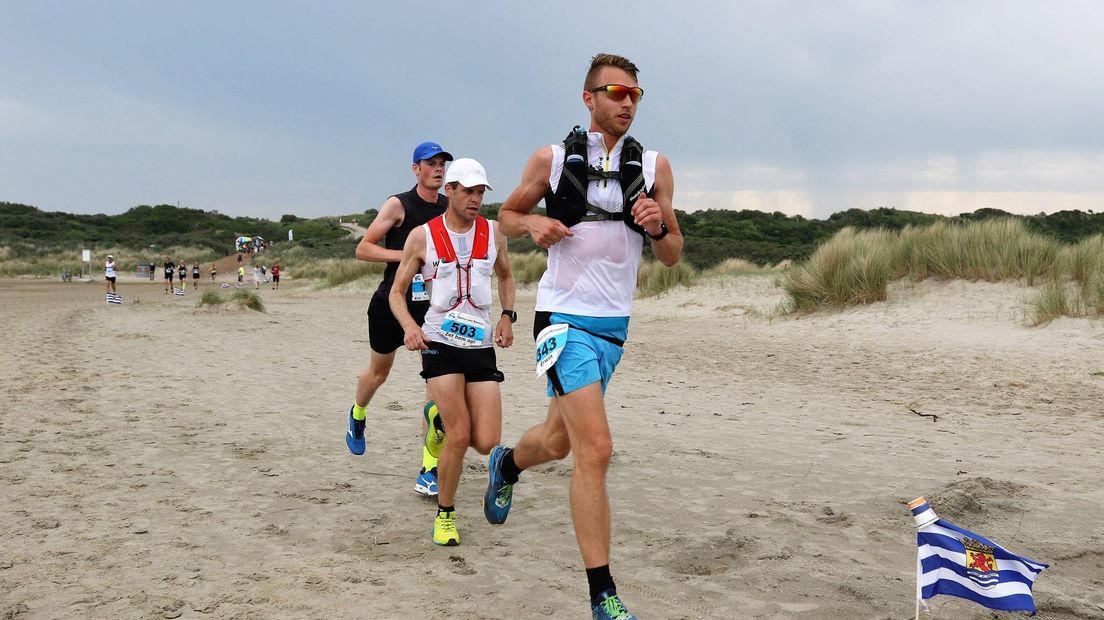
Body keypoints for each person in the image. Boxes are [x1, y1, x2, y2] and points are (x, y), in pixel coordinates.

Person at [488, 53, 683, 620]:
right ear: (589, 98)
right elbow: (505, 214)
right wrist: (533, 224)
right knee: (596, 449)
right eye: (616, 92)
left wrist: (657, 226)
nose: (627, 102)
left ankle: (507, 465)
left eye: (635, 95)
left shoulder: (654, 166)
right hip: (562, 317)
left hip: (613, 326)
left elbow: (672, 256)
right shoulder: (550, 159)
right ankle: (603, 596)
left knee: (557, 442)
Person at [389, 158, 515, 546]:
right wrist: (410, 327)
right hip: (438, 342)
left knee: (487, 441)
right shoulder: (422, 236)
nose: (477, 199)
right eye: (469, 191)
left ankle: (435, 421)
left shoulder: (494, 232)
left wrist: (508, 315)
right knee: (460, 436)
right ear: (451, 191)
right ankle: (445, 515)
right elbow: (397, 292)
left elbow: (507, 275)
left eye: (481, 192)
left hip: (478, 344)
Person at [343, 141, 453, 497]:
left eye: (441, 164)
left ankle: (429, 468)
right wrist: (409, 256)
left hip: (432, 309)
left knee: (436, 390)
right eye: (430, 163)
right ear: (415, 169)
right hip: (391, 305)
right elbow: (363, 248)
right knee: (378, 374)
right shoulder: (399, 204)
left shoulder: (450, 208)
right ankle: (358, 414)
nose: (438, 169)